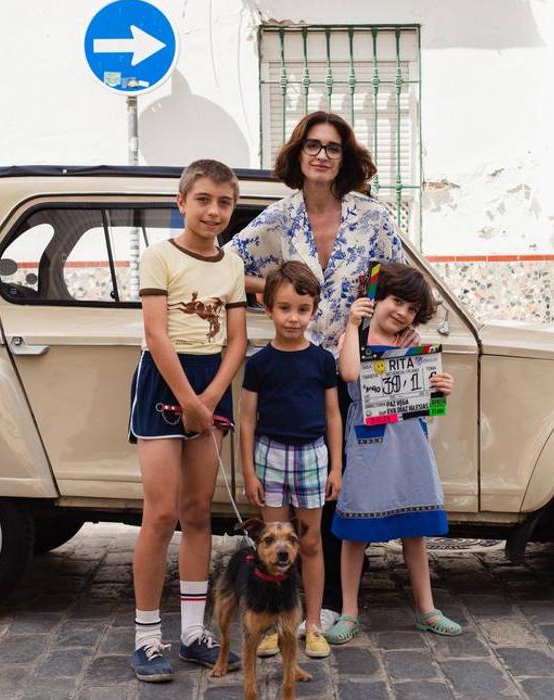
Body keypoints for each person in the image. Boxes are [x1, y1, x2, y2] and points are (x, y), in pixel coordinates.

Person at [228, 111, 405, 642]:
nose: (322, 155)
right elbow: (229, 264)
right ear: (298, 154)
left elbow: (399, 277)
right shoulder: (279, 218)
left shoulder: (371, 216)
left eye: (333, 147)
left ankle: (327, 603)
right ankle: (296, 604)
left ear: (345, 158)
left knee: (339, 485)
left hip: (353, 368)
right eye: (313, 145)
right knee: (304, 488)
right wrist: (277, 290)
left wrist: (387, 323)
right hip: (297, 364)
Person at [128, 159, 247, 682]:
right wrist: (190, 402)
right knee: (160, 513)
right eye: (203, 199)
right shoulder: (159, 257)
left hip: (210, 382)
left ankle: (195, 632)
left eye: (223, 202)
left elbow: (237, 339)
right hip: (164, 380)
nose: (213, 210)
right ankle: (147, 636)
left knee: (199, 511)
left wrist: (212, 397)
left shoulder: (232, 266)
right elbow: (157, 335)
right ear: (182, 202)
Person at [325, 262, 463, 643]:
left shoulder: (412, 344)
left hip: (410, 445)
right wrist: (353, 325)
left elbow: (427, 397)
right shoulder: (355, 339)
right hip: (369, 446)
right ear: (376, 300)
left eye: (412, 308)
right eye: (396, 301)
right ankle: (349, 611)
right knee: (354, 534)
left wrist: (440, 386)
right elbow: (351, 375)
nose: (402, 312)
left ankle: (427, 608)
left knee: (415, 531)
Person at [239, 261, 343, 660]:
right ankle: (270, 624)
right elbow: (248, 419)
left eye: (302, 309)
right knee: (272, 546)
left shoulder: (321, 361)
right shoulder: (260, 363)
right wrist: (249, 471)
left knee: (310, 541)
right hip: (271, 455)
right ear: (268, 308)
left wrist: (336, 466)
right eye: (284, 308)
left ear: (313, 310)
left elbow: (333, 415)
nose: (293, 318)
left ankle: (312, 623)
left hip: (313, 456)